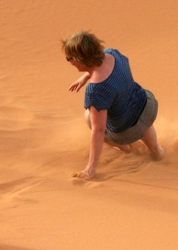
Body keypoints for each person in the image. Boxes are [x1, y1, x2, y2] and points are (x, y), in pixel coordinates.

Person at [65, 31, 164, 179]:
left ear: (81, 58)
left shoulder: (96, 90)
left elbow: (99, 130)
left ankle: (125, 148)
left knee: (89, 117)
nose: (69, 62)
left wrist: (90, 168)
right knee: (137, 116)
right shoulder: (113, 54)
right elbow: (100, 66)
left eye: (69, 58)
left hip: (127, 130)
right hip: (147, 106)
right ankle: (157, 151)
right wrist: (86, 76)